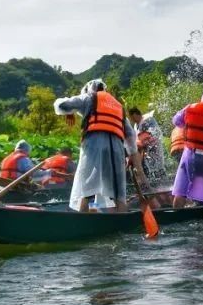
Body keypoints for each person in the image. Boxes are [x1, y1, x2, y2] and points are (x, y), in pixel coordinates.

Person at [55, 80, 149, 212]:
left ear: (90, 89)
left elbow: (62, 105)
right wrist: (140, 171)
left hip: (94, 145)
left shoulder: (89, 98)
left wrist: (69, 111)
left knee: (86, 189)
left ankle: (82, 219)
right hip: (116, 150)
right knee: (118, 193)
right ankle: (121, 221)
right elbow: (131, 138)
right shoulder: (118, 107)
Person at [129, 108, 168, 186]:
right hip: (144, 152)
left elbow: (156, 133)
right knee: (149, 172)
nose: (132, 120)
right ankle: (153, 189)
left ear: (135, 114)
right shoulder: (136, 125)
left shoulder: (148, 120)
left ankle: (165, 188)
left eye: (132, 117)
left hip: (154, 148)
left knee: (158, 168)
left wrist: (145, 143)